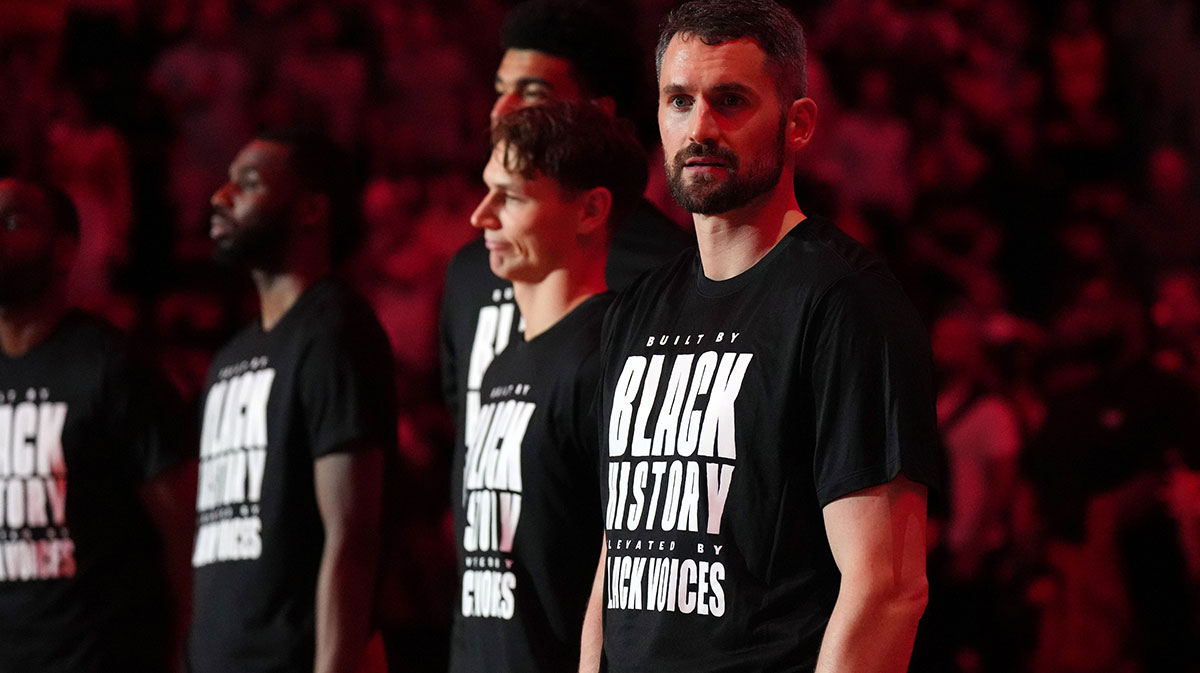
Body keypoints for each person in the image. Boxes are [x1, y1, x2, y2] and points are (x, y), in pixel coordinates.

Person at [588, 1, 940, 670]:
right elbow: (618, 549)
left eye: (730, 101)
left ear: (798, 123)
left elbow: (889, 590)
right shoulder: (635, 311)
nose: (700, 128)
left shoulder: (846, 303)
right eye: (679, 101)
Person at [439, 0, 693, 489]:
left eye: (533, 93)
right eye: (500, 91)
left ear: (598, 114)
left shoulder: (667, 272)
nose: (501, 111)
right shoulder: (471, 269)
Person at [187, 130, 397, 673]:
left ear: (311, 210)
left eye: (249, 183)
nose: (221, 196)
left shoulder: (334, 330)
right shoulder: (231, 355)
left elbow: (352, 535)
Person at [451, 100, 647, 673]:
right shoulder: (499, 366)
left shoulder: (609, 358)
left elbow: (625, 564)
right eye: (487, 190)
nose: (480, 216)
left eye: (511, 197)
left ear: (590, 210)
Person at [0, 177, 193, 672]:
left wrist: (184, 655)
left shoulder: (112, 366)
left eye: (14, 221)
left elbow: (183, 531)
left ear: (65, 252)